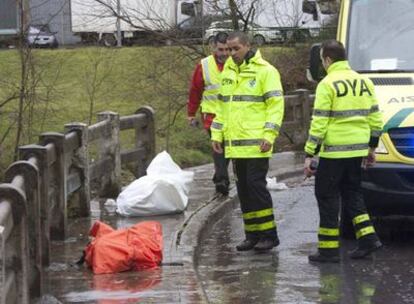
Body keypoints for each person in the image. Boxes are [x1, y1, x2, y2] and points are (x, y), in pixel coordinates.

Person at [304, 40, 383, 263]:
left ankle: (328, 250)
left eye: (322, 60)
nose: (323, 64)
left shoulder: (327, 84)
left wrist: (310, 154)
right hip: (357, 150)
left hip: (334, 152)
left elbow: (319, 122)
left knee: (327, 196)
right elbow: (376, 118)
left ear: (328, 59)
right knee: (353, 194)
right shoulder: (364, 82)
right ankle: (368, 239)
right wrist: (371, 147)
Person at [211, 32, 284, 252]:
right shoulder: (228, 73)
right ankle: (252, 234)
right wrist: (217, 134)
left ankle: (269, 235)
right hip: (236, 145)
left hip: (257, 144)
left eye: (236, 49)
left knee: (256, 187)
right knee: (243, 190)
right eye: (229, 49)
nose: (231, 54)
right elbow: (221, 107)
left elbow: (275, 106)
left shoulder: (266, 71)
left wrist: (269, 136)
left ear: (247, 46)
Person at [187, 32, 230, 195]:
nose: (224, 54)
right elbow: (195, 91)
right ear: (213, 47)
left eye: (227, 50)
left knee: (227, 149)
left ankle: (219, 175)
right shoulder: (204, 65)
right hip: (211, 115)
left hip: (231, 114)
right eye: (220, 50)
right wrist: (191, 113)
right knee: (219, 147)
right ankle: (222, 181)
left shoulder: (235, 64)